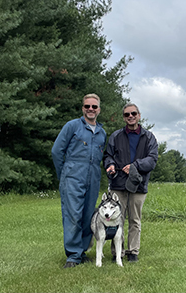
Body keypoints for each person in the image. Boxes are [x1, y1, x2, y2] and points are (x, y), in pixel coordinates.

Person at [51, 93, 106, 268]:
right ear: (82, 108)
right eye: (87, 106)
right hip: (73, 175)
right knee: (73, 214)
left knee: (88, 215)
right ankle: (73, 255)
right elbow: (56, 151)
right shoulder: (72, 126)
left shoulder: (102, 132)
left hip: (93, 176)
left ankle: (82, 251)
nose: (90, 109)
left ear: (99, 110)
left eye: (94, 107)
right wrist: (64, 174)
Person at [103, 103, 158, 263]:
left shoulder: (149, 137)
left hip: (138, 185)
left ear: (139, 115)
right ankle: (117, 253)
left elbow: (152, 160)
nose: (130, 116)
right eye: (127, 114)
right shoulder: (115, 136)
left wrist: (135, 166)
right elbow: (108, 155)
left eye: (133, 113)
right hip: (118, 184)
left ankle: (133, 252)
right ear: (124, 118)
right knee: (116, 220)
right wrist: (110, 165)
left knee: (135, 220)